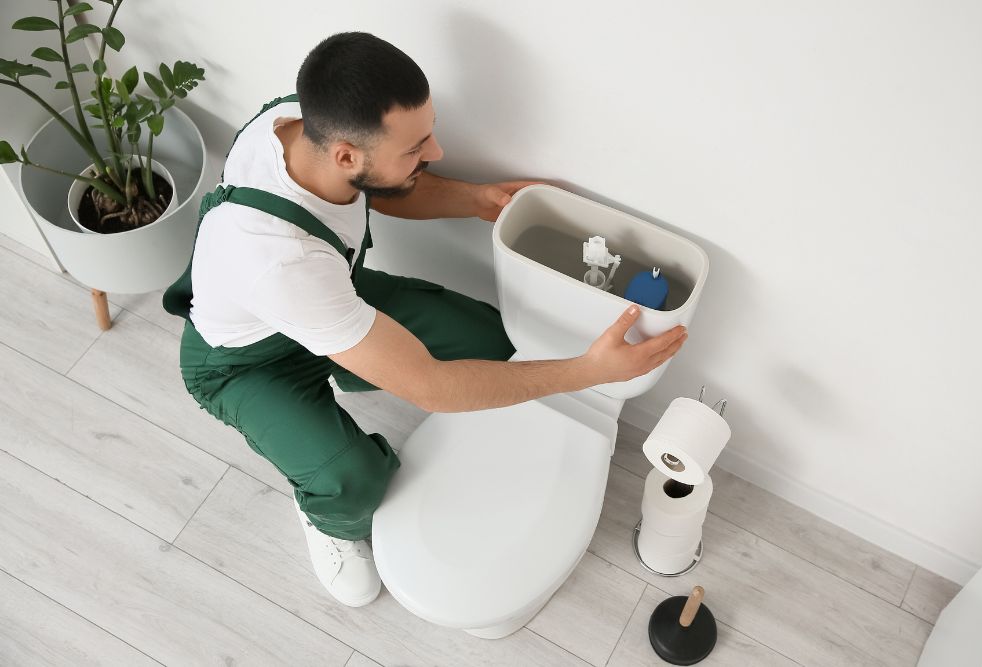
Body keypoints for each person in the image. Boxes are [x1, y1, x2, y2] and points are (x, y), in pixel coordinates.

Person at [164, 32, 688, 608]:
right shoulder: (280, 262)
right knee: (355, 481)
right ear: (345, 152)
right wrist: (590, 371)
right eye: (416, 147)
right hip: (245, 365)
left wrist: (477, 199)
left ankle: (354, 365)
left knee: (489, 341)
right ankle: (325, 510)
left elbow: (375, 190)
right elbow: (434, 389)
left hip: (326, 299)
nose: (435, 151)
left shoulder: (296, 124)